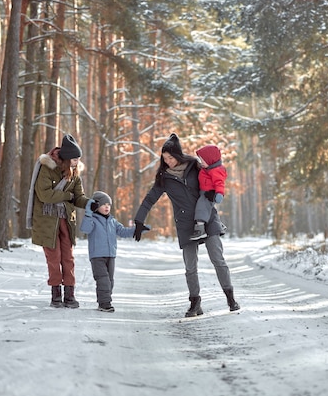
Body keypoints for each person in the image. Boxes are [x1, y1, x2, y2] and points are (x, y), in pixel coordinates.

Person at [133, 133, 240, 317]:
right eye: (164, 158)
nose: (168, 162)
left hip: (207, 219)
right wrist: (139, 220)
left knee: (218, 260)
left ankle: (230, 298)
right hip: (185, 225)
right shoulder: (164, 178)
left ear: (178, 155)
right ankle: (195, 303)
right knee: (190, 266)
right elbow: (149, 199)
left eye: (171, 157)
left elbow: (215, 177)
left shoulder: (195, 167)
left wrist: (214, 195)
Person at [26, 134, 91, 308]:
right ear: (67, 157)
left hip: (66, 220)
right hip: (47, 220)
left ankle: (70, 295)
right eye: (75, 159)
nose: (77, 162)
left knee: (68, 258)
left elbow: (78, 197)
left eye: (78, 159)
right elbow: (44, 194)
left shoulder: (75, 173)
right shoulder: (47, 168)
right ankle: (56, 295)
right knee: (54, 258)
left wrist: (90, 203)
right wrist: (66, 196)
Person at [80, 191, 150, 312]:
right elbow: (85, 229)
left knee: (110, 281)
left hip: (111, 255)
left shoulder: (112, 221)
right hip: (97, 256)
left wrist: (137, 230)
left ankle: (105, 301)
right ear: (96, 206)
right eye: (103, 204)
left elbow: (123, 232)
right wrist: (88, 213)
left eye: (109, 204)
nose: (107, 206)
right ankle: (104, 303)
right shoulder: (92, 220)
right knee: (103, 279)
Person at [190, 144, 227, 241]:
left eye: (203, 160)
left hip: (209, 194)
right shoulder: (207, 168)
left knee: (201, 207)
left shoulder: (216, 171)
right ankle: (218, 225)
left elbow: (220, 183)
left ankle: (200, 229)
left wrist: (219, 193)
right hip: (203, 192)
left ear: (210, 160)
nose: (201, 162)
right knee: (209, 210)